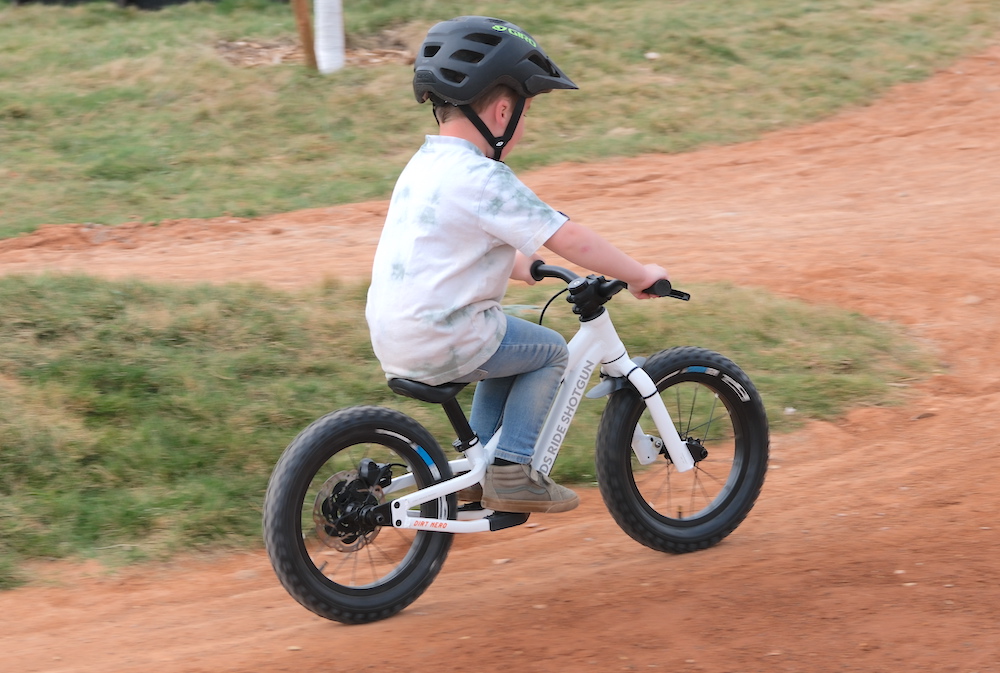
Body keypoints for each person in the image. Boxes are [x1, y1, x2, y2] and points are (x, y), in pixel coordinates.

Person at [365, 16, 667, 514]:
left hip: (394, 332)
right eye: (527, 112)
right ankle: (512, 470)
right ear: (503, 111)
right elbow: (569, 237)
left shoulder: (423, 166)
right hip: (446, 335)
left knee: (505, 342)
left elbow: (451, 243)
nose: (525, 124)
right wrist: (638, 274)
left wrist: (522, 264)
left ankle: (475, 466)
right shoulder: (485, 178)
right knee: (550, 352)